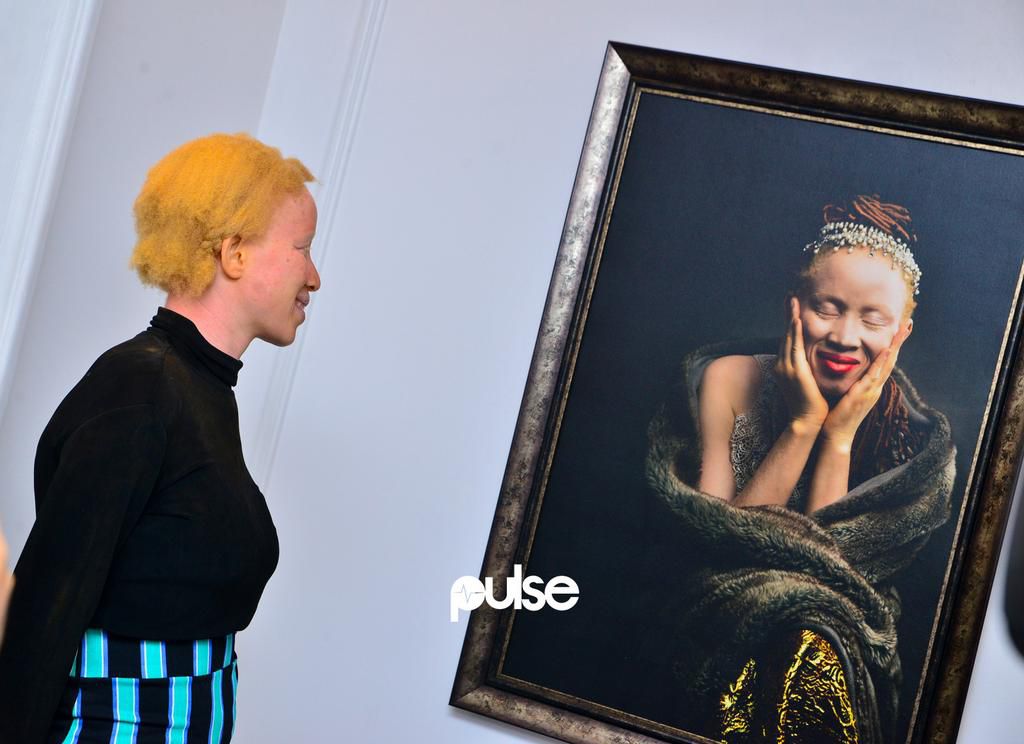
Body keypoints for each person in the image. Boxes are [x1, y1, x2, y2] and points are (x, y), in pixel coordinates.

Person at [0, 132, 321, 743]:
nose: (314, 275)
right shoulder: (140, 387)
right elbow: (49, 603)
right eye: (302, 248)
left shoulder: (198, 390)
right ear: (234, 253)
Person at [645, 195, 955, 743]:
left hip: (835, 634)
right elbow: (721, 542)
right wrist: (804, 425)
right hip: (719, 618)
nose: (844, 336)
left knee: (812, 634)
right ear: (794, 305)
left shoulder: (908, 437)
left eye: (873, 319)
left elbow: (829, 575)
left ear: (901, 333)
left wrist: (839, 438)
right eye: (827, 307)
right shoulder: (729, 379)